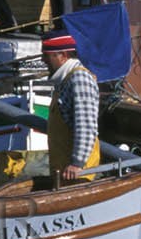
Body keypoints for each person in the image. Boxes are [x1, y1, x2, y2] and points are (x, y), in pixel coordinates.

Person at [41, 31, 100, 183]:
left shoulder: (79, 78)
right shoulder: (64, 80)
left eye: (47, 55)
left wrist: (77, 163)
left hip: (78, 174)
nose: (43, 60)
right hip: (64, 171)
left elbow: (86, 124)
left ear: (63, 55)